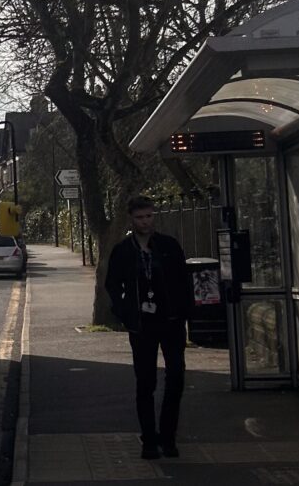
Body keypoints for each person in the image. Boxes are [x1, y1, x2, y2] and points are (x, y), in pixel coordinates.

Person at [104, 195, 192, 460]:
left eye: (149, 216)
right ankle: (149, 440)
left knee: (176, 377)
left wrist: (185, 312)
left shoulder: (169, 246)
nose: (146, 221)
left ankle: (168, 436)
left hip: (171, 322)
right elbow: (112, 284)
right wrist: (125, 313)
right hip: (142, 326)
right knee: (146, 383)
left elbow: (183, 281)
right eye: (140, 217)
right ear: (132, 218)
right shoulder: (123, 250)